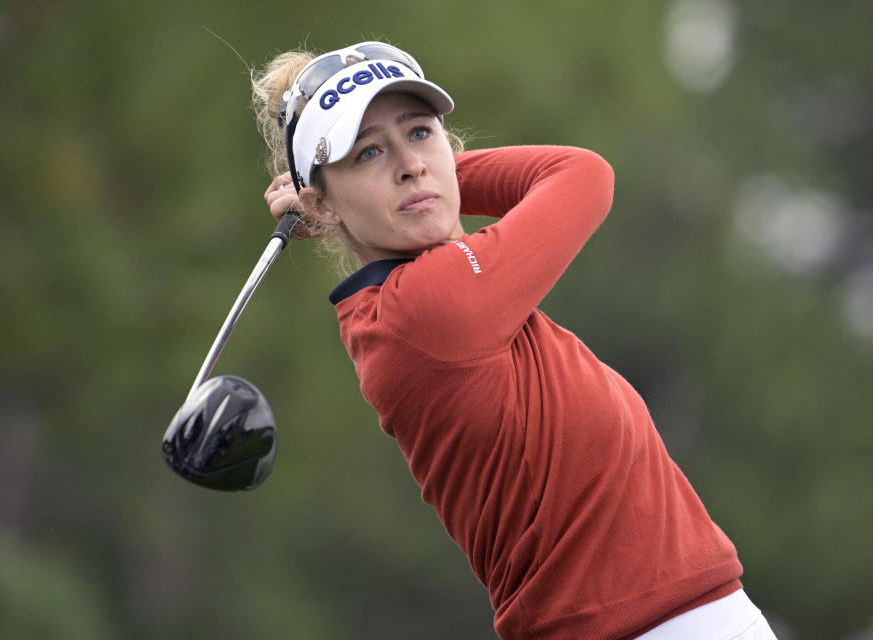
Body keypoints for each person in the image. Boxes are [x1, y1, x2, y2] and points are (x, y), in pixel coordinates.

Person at [252, 41, 778, 640]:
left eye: (421, 133)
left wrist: (386, 190)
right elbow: (582, 175)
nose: (410, 164)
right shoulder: (432, 308)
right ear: (317, 204)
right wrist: (431, 183)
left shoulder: (409, 308)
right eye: (369, 151)